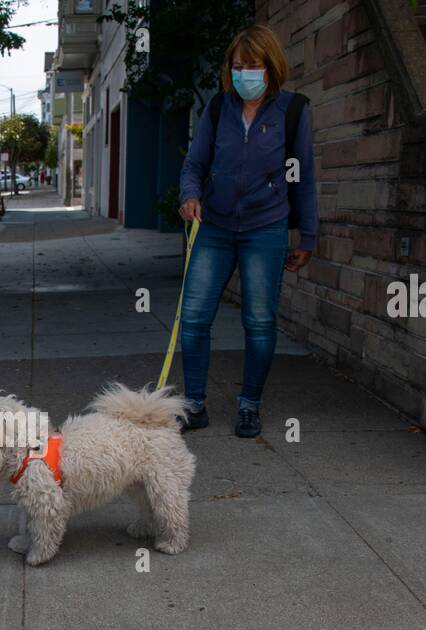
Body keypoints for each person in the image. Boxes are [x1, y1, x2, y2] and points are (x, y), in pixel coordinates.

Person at [176, 23, 318, 437]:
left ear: (270, 66)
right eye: (238, 67)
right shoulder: (219, 109)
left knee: (258, 320)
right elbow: (194, 164)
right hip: (214, 227)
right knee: (194, 317)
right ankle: (195, 405)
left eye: (252, 66)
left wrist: (307, 236)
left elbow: (303, 177)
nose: (244, 75)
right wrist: (189, 196)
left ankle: (249, 406)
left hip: (265, 229)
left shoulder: (293, 111)